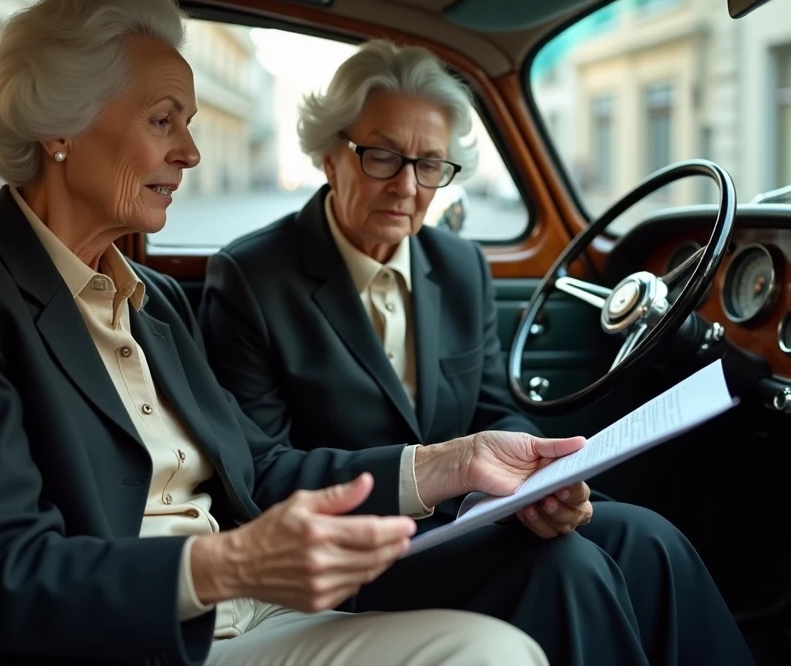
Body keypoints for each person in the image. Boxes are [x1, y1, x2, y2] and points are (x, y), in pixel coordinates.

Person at [0, 0, 566, 666]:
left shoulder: (154, 299)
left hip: (263, 604)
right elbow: (10, 571)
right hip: (152, 637)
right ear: (61, 126)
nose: (190, 153)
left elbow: (256, 467)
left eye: (189, 124)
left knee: (560, 566)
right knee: (493, 655)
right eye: (162, 120)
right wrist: (229, 564)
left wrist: (454, 463)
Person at [198, 41, 757, 666]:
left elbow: (493, 407)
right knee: (566, 565)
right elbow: (260, 474)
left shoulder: (460, 265)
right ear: (330, 155)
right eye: (381, 156)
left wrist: (542, 483)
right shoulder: (252, 276)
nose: (407, 186)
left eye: (430, 164)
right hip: (348, 551)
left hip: (469, 516)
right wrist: (439, 469)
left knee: (648, 537)